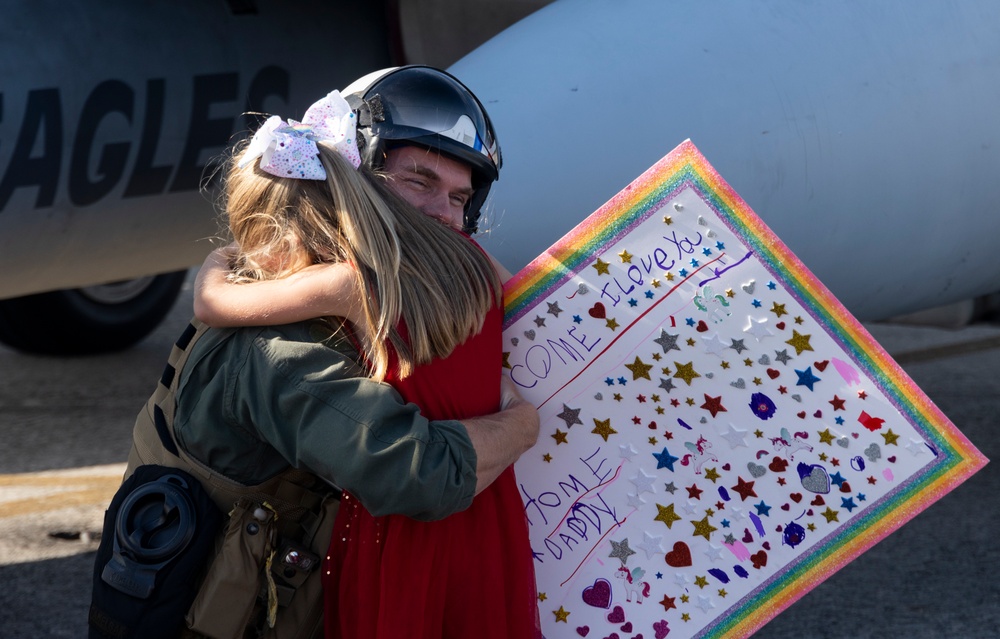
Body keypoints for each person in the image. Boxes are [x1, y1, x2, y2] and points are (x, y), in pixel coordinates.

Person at [95, 86, 539, 639]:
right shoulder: (285, 348)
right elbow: (420, 474)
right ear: (349, 184)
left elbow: (516, 286)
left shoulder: (276, 281)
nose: (442, 214)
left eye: (458, 198)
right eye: (419, 181)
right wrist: (521, 424)